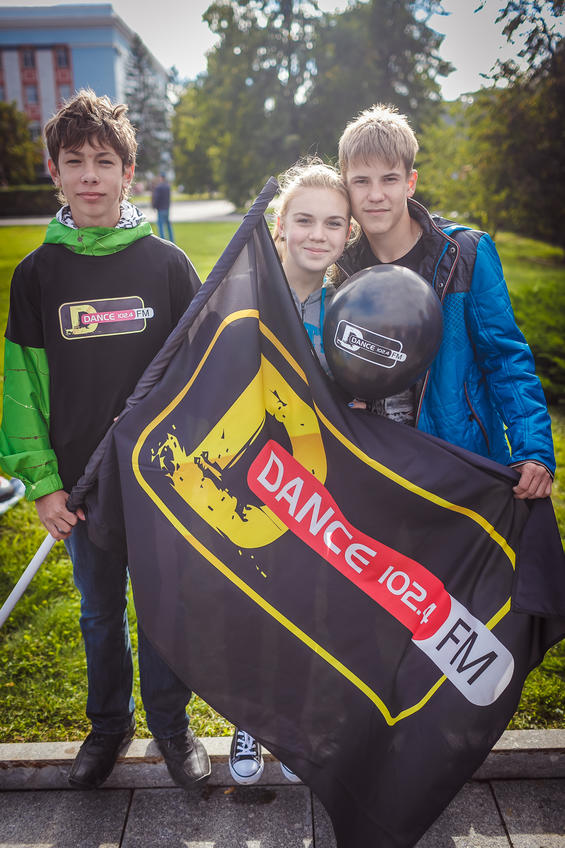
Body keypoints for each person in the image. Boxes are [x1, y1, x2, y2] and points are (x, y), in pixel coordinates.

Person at [0, 90, 210, 791]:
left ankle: (172, 728)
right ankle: (109, 726)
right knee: (98, 613)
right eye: (74, 162)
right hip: (81, 488)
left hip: (158, 482)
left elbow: (204, 372)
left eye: (104, 162)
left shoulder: (168, 266)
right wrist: (43, 484)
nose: (90, 175)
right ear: (54, 173)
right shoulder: (37, 276)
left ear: (128, 173)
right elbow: (22, 389)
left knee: (163, 608)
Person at [335, 103, 555, 497]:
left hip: (460, 465)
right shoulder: (340, 269)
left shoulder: (465, 253)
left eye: (389, 179)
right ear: (345, 186)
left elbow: (505, 357)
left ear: (410, 182)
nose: (375, 195)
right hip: (378, 472)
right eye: (361, 181)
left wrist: (533, 448)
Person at [228, 158, 352, 786]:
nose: (316, 234)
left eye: (332, 223)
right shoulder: (240, 292)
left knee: (315, 604)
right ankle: (249, 719)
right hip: (250, 476)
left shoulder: (350, 306)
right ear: (279, 224)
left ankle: (303, 724)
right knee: (255, 603)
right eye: (304, 220)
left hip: (321, 483)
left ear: (348, 233)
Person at [152, 172, 174, 242]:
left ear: (161, 178)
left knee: (160, 226)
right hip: (167, 208)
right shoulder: (168, 187)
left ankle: (162, 241)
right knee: (168, 225)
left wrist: (154, 206)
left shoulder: (158, 187)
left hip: (160, 209)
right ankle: (172, 240)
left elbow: (156, 198)